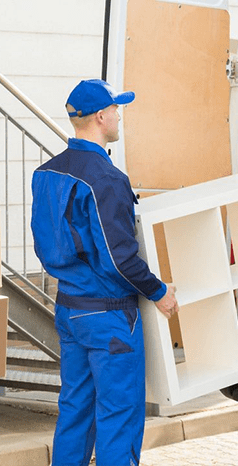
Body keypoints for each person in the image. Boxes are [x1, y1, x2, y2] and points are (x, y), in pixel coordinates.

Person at [30, 79, 179, 466]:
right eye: (116, 109)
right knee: (118, 418)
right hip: (110, 316)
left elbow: (43, 243)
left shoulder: (46, 174)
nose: (118, 115)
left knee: (76, 412)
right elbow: (119, 258)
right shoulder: (107, 178)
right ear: (101, 116)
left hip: (70, 308)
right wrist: (159, 291)